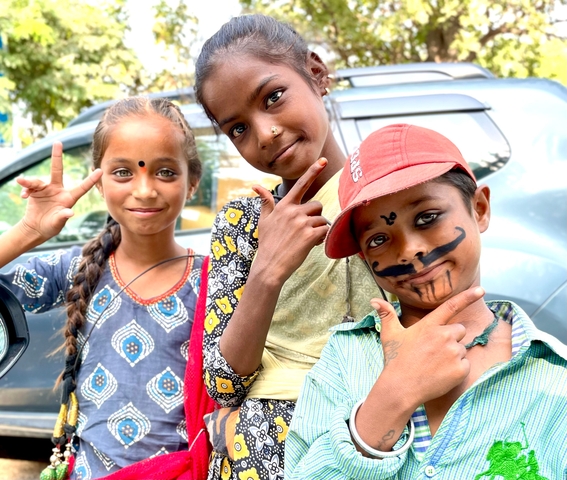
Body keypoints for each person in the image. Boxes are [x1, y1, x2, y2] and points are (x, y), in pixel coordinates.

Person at [284, 123, 567, 479]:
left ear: (479, 209)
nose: (410, 248)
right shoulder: (345, 358)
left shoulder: (555, 378)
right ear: (362, 259)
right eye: (378, 239)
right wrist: (395, 393)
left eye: (427, 217)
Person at [193, 14, 383, 480]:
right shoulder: (242, 224)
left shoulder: (389, 195)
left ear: (316, 74)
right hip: (262, 454)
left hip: (377, 439)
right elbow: (222, 382)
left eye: (273, 98)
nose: (265, 133)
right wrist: (267, 269)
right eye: (237, 128)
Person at [0, 97, 211, 480]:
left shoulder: (214, 283)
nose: (145, 190)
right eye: (123, 172)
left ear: (192, 181)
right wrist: (28, 232)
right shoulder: (75, 268)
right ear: (98, 180)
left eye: (165, 172)